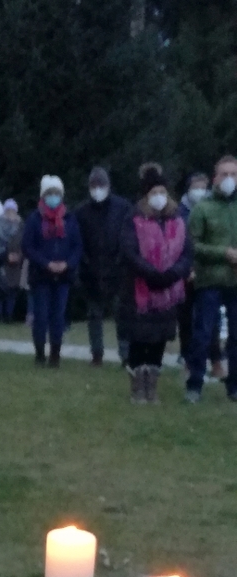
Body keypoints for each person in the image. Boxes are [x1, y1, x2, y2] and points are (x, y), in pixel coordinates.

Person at [119, 165, 192, 404]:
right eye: (153, 192)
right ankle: (137, 388)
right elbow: (130, 252)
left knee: (159, 341)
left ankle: (152, 388)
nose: (159, 196)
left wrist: (172, 274)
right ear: (146, 195)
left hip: (169, 292)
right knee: (139, 340)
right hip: (141, 292)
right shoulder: (133, 218)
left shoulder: (178, 219)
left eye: (162, 191)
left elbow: (186, 253)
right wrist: (153, 274)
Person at [185, 155, 237, 402]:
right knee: (203, 334)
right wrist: (223, 253)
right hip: (209, 281)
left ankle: (234, 386)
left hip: (235, 281)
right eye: (224, 174)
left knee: (236, 336)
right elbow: (192, 246)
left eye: (233, 174)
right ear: (215, 178)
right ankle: (194, 385)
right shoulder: (202, 209)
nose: (229, 179)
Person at [22, 175, 83, 367]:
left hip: (63, 276)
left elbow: (77, 246)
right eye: (50, 193)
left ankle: (55, 354)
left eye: (57, 193)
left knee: (58, 317)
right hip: (41, 276)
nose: (53, 197)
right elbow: (28, 246)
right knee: (41, 316)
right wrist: (45, 263)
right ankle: (40, 354)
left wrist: (68, 264)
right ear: (43, 195)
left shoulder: (70, 218)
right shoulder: (34, 218)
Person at [75, 166, 132, 366]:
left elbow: (128, 237)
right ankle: (96, 353)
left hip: (118, 269)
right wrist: (85, 263)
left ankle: (126, 354)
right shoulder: (81, 211)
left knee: (122, 314)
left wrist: (120, 260)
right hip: (91, 271)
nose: (97, 189)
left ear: (108, 185)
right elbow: (78, 241)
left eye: (101, 184)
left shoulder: (123, 207)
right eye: (94, 185)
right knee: (94, 314)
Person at [177, 172, 224, 378]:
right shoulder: (179, 213)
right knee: (186, 318)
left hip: (209, 273)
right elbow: (179, 244)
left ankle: (216, 360)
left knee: (211, 319)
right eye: (196, 187)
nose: (200, 191)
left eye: (203, 187)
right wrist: (188, 268)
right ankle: (188, 359)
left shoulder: (214, 209)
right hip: (185, 273)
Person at [1, 199, 24, 322]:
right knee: (2, 288)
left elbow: (25, 243)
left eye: (12, 211)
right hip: (4, 262)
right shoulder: (0, 225)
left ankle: (9, 314)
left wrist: (20, 255)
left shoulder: (21, 225)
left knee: (13, 291)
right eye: (8, 211)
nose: (10, 213)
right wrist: (6, 255)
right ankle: (0, 314)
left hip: (17, 263)